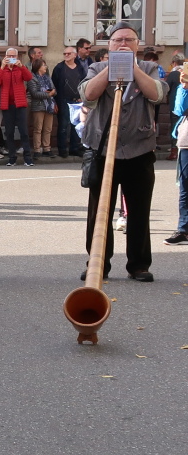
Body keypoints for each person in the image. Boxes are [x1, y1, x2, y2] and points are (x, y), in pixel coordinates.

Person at [79, 21, 166, 282]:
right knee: (100, 212)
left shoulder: (149, 68)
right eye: (118, 41)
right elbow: (87, 95)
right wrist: (112, 69)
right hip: (104, 150)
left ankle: (139, 265)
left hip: (139, 149)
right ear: (109, 45)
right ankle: (98, 264)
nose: (124, 44)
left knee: (139, 210)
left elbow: (157, 94)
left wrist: (133, 68)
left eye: (129, 40)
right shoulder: (97, 68)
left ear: (138, 45)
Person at [0, 48, 34, 167]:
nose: (11, 58)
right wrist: (1, 67)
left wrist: (21, 66)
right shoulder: (3, 69)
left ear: (17, 57)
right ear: (5, 57)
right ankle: (12, 158)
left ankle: (27, 158)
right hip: (7, 104)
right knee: (9, 132)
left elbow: (29, 78)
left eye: (13, 56)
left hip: (20, 104)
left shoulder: (20, 68)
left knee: (23, 131)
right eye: (9, 56)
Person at [51, 45, 87, 159]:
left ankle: (74, 148)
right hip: (63, 100)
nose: (66, 55)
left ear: (75, 55)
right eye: (65, 54)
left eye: (69, 53)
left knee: (75, 125)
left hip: (77, 101)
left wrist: (82, 96)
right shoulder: (59, 68)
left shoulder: (80, 67)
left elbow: (84, 82)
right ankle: (62, 149)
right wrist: (55, 101)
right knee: (63, 125)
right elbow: (54, 84)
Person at [165, 70, 188, 246]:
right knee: (185, 187)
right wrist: (184, 86)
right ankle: (183, 229)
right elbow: (179, 108)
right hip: (186, 142)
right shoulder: (184, 84)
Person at [28, 58, 57, 158]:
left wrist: (52, 92)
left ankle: (46, 148)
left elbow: (54, 89)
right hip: (38, 106)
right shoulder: (32, 78)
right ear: (38, 67)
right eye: (44, 65)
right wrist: (48, 95)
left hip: (49, 105)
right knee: (38, 128)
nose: (46, 67)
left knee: (48, 128)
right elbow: (34, 93)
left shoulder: (47, 77)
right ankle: (37, 149)